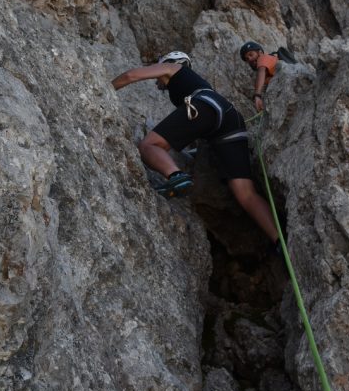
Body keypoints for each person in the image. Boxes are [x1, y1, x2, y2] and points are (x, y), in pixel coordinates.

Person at [112, 51, 280, 246]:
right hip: (231, 119)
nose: (156, 79)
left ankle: (176, 176)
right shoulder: (190, 84)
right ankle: (278, 241)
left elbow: (130, 75)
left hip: (204, 106)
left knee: (149, 145)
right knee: (245, 192)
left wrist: (104, 89)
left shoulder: (174, 68)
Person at [239, 41, 278, 113]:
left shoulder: (264, 57)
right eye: (247, 59)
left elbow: (261, 70)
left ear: (260, 52)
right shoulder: (264, 77)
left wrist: (257, 96)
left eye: (251, 54)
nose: (249, 59)